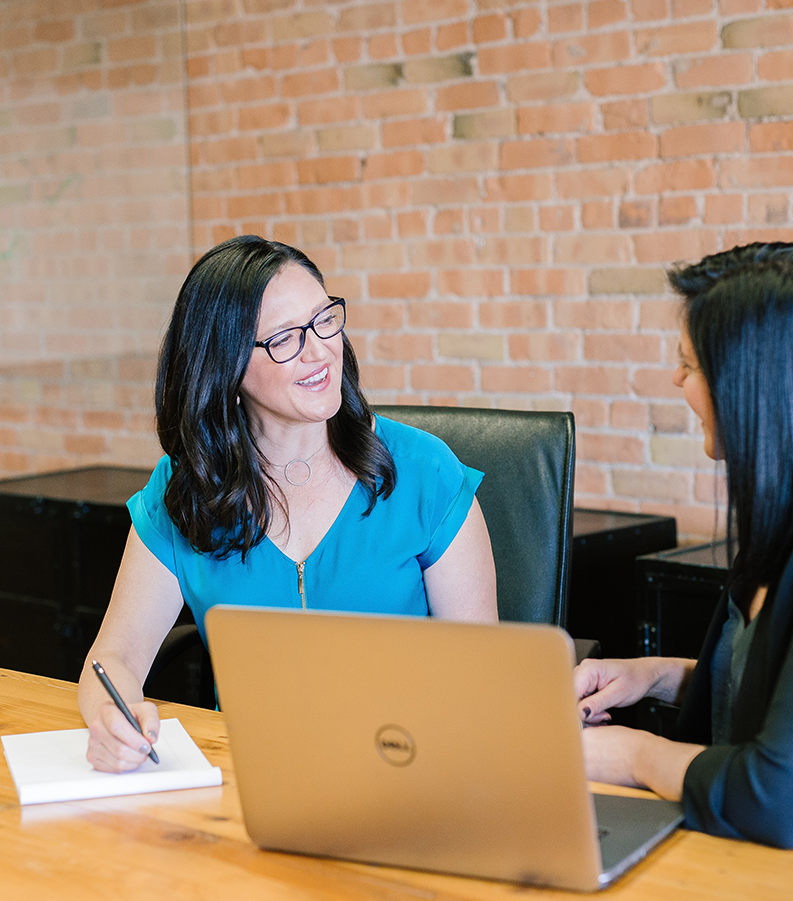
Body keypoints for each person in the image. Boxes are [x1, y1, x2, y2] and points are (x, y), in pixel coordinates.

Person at [78, 235, 497, 772]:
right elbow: (111, 660)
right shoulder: (186, 491)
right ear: (225, 366)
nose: (321, 350)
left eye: (325, 320)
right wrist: (111, 721)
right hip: (252, 778)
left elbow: (482, 675)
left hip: (409, 768)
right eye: (284, 339)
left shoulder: (424, 473)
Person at [576, 242, 793, 848]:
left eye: (690, 365)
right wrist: (656, 676)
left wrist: (634, 756)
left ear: (757, 388)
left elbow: (786, 798)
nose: (676, 380)